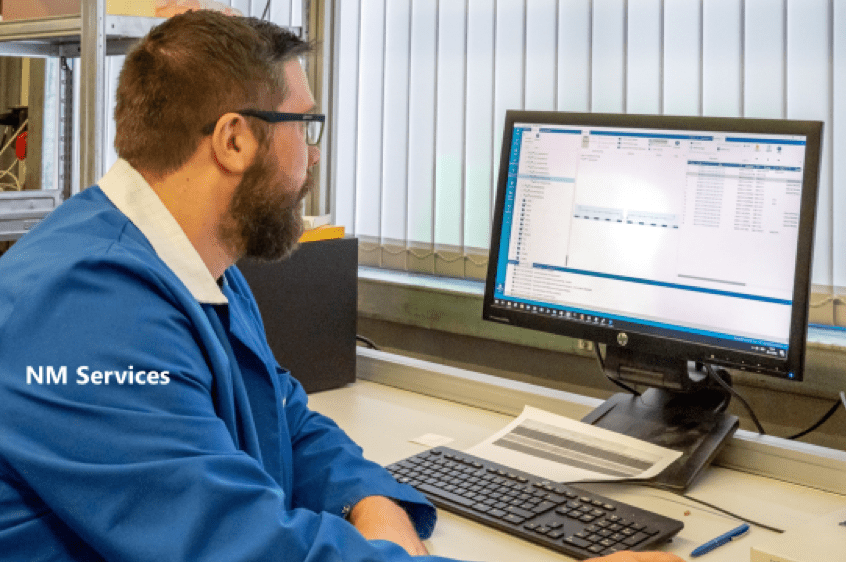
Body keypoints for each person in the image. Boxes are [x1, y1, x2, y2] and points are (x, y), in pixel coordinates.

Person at [0, 10, 686, 562]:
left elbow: (285, 419)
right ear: (234, 140)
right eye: (307, 126)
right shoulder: (84, 306)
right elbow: (236, 545)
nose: (317, 154)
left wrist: (372, 502)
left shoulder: (192, 259)